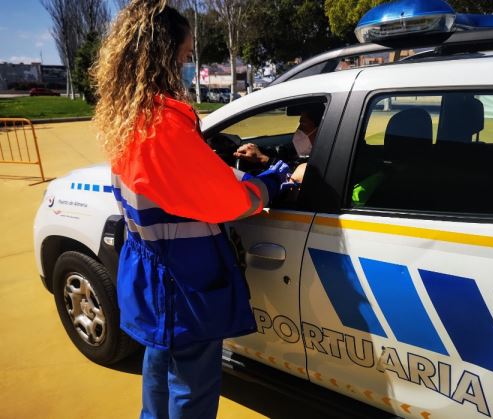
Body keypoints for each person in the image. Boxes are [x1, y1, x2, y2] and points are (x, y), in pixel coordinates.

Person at [92, 1, 289, 418]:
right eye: (183, 56)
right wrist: (274, 180)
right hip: (184, 280)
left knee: (159, 368)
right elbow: (229, 201)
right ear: (162, 56)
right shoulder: (164, 126)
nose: (186, 64)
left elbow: (173, 187)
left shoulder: (129, 118)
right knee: (192, 390)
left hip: (152, 271)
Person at [233, 104, 324, 184]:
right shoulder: (310, 153)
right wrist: (260, 152)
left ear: (321, 129)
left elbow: (295, 177)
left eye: (303, 125)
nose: (298, 131)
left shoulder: (325, 159)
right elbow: (286, 156)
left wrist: (263, 159)